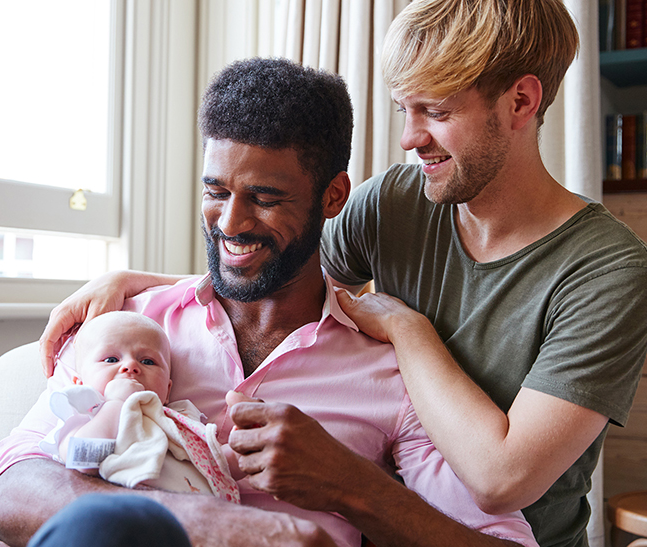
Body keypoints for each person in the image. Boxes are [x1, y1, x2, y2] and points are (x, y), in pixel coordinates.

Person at [36, 2, 647, 547]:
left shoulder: (606, 270)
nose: (410, 139)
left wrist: (409, 333)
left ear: (521, 101)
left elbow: (501, 479)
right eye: (405, 110)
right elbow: (280, 265)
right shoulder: (400, 201)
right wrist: (141, 282)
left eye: (435, 111)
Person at [0, 57, 539, 547]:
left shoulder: (390, 373)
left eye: (265, 199)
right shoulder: (130, 325)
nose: (231, 224)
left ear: (333, 197)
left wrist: (354, 488)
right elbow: (9, 489)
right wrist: (218, 527)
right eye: (215, 192)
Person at [39, 310, 240, 501]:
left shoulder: (179, 418)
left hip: (198, 521)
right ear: (80, 383)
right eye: (111, 359)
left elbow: (215, 463)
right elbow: (84, 460)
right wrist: (116, 403)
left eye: (148, 361)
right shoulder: (84, 415)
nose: (131, 366)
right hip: (124, 516)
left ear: (167, 391)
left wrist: (242, 448)